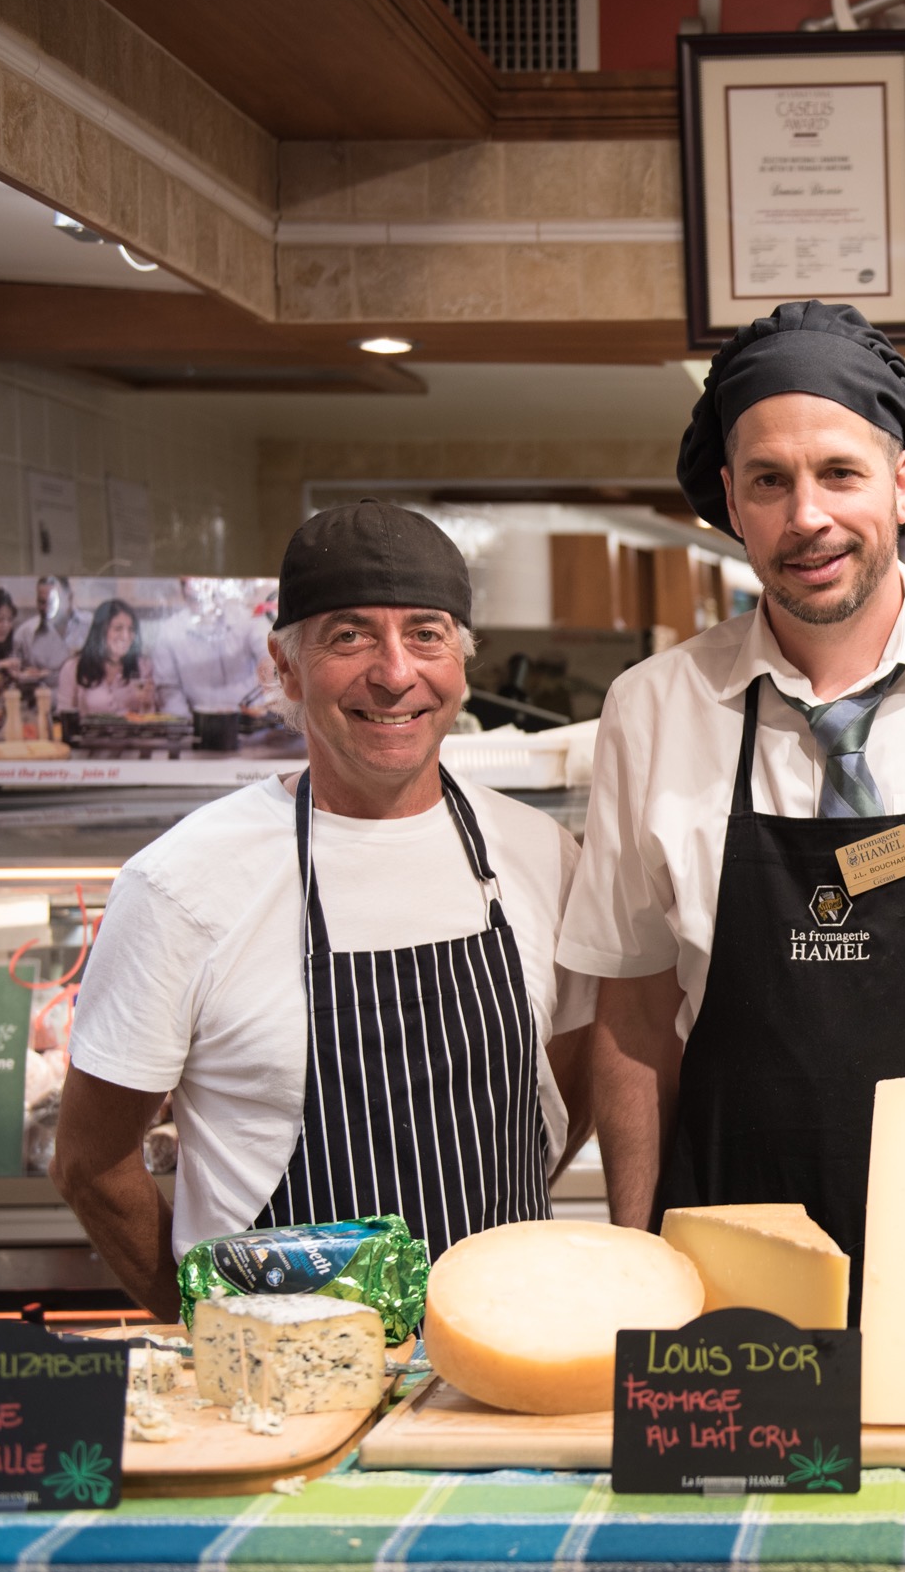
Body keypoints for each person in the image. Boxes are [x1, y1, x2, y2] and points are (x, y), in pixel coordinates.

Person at [559, 301, 905, 1332]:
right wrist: (637, 1258)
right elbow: (635, 1019)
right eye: (769, 481)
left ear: (902, 479)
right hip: (730, 1252)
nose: (805, 516)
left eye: (839, 472)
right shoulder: (651, 709)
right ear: (729, 499)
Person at [52, 501, 597, 1312]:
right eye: (349, 636)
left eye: (426, 634)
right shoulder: (181, 885)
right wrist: (200, 1322)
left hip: (499, 1364)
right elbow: (90, 1163)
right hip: (277, 1389)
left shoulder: (541, 854)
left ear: (462, 660)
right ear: (287, 665)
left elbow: (569, 1087)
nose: (395, 672)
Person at [159, 577, 276, 717]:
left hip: (251, 717)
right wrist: (187, 722)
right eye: (195, 598)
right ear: (184, 592)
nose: (204, 604)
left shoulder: (246, 619)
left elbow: (270, 657)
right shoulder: (170, 630)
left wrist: (267, 706)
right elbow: (168, 689)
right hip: (197, 720)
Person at [54, 599, 165, 717]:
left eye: (131, 629)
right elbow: (64, 717)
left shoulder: (144, 667)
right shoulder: (73, 668)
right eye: (118, 629)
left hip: (132, 735)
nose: (126, 636)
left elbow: (150, 721)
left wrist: (147, 705)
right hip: (89, 735)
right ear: (101, 631)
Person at [10, 576, 88, 679]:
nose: (47, 609)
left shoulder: (91, 626)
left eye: (53, 602)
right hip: (40, 693)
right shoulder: (24, 633)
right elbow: (13, 672)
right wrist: (23, 674)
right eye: (42, 602)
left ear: (69, 598)